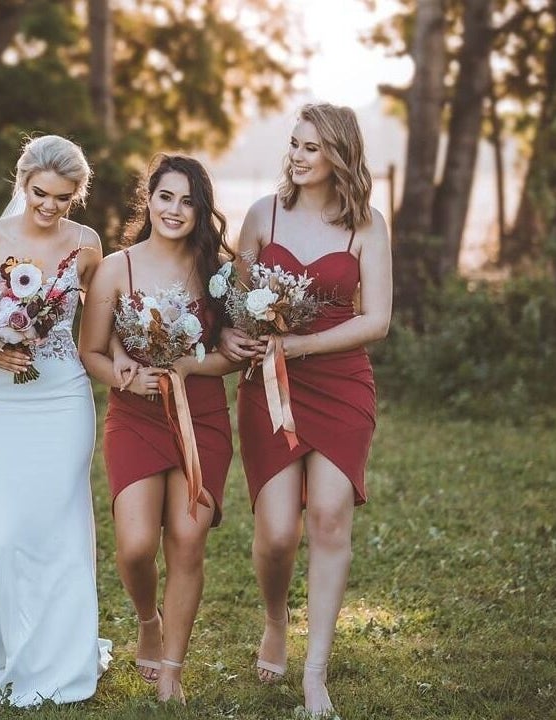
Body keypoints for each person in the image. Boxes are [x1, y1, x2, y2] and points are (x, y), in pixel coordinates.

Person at [221, 102, 391, 718]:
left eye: (311, 148)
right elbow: (234, 304)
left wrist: (303, 344)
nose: (296, 156)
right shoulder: (263, 215)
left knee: (327, 517)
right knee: (275, 534)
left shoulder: (366, 225)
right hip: (268, 388)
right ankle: (274, 619)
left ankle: (315, 672)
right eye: (293, 144)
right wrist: (228, 338)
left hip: (342, 385)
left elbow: (378, 319)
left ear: (339, 156)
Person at [79, 153, 239, 704]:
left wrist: (191, 364)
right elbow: (91, 352)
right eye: (166, 197)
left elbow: (232, 354)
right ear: (149, 200)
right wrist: (123, 376)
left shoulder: (216, 272)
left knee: (189, 541)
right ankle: (149, 618)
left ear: (202, 210)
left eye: (189, 201)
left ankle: (172, 669)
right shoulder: (116, 268)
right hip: (136, 418)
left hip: (203, 417)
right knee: (136, 545)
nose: (175, 210)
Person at [0, 134, 108, 706]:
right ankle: (5, 654)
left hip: (63, 396)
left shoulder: (88, 245)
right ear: (22, 183)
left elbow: (93, 327)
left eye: (62, 199)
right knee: (3, 532)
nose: (48, 206)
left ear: (77, 196)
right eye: (40, 193)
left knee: (62, 526)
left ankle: (65, 663)